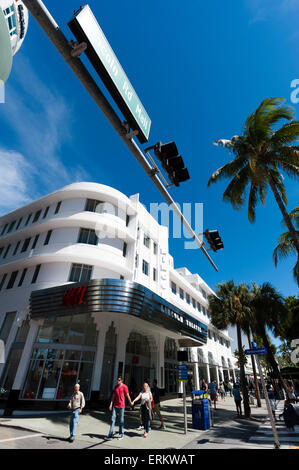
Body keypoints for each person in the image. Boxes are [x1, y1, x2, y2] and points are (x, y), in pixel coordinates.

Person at [105, 376, 133, 441]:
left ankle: (121, 434)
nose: (118, 381)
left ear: (122, 381)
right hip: (115, 406)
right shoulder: (116, 387)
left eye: (119, 380)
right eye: (117, 380)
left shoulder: (125, 387)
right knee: (112, 420)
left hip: (121, 406)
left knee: (121, 421)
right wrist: (111, 404)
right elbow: (113, 396)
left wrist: (131, 402)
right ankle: (110, 435)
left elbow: (127, 395)